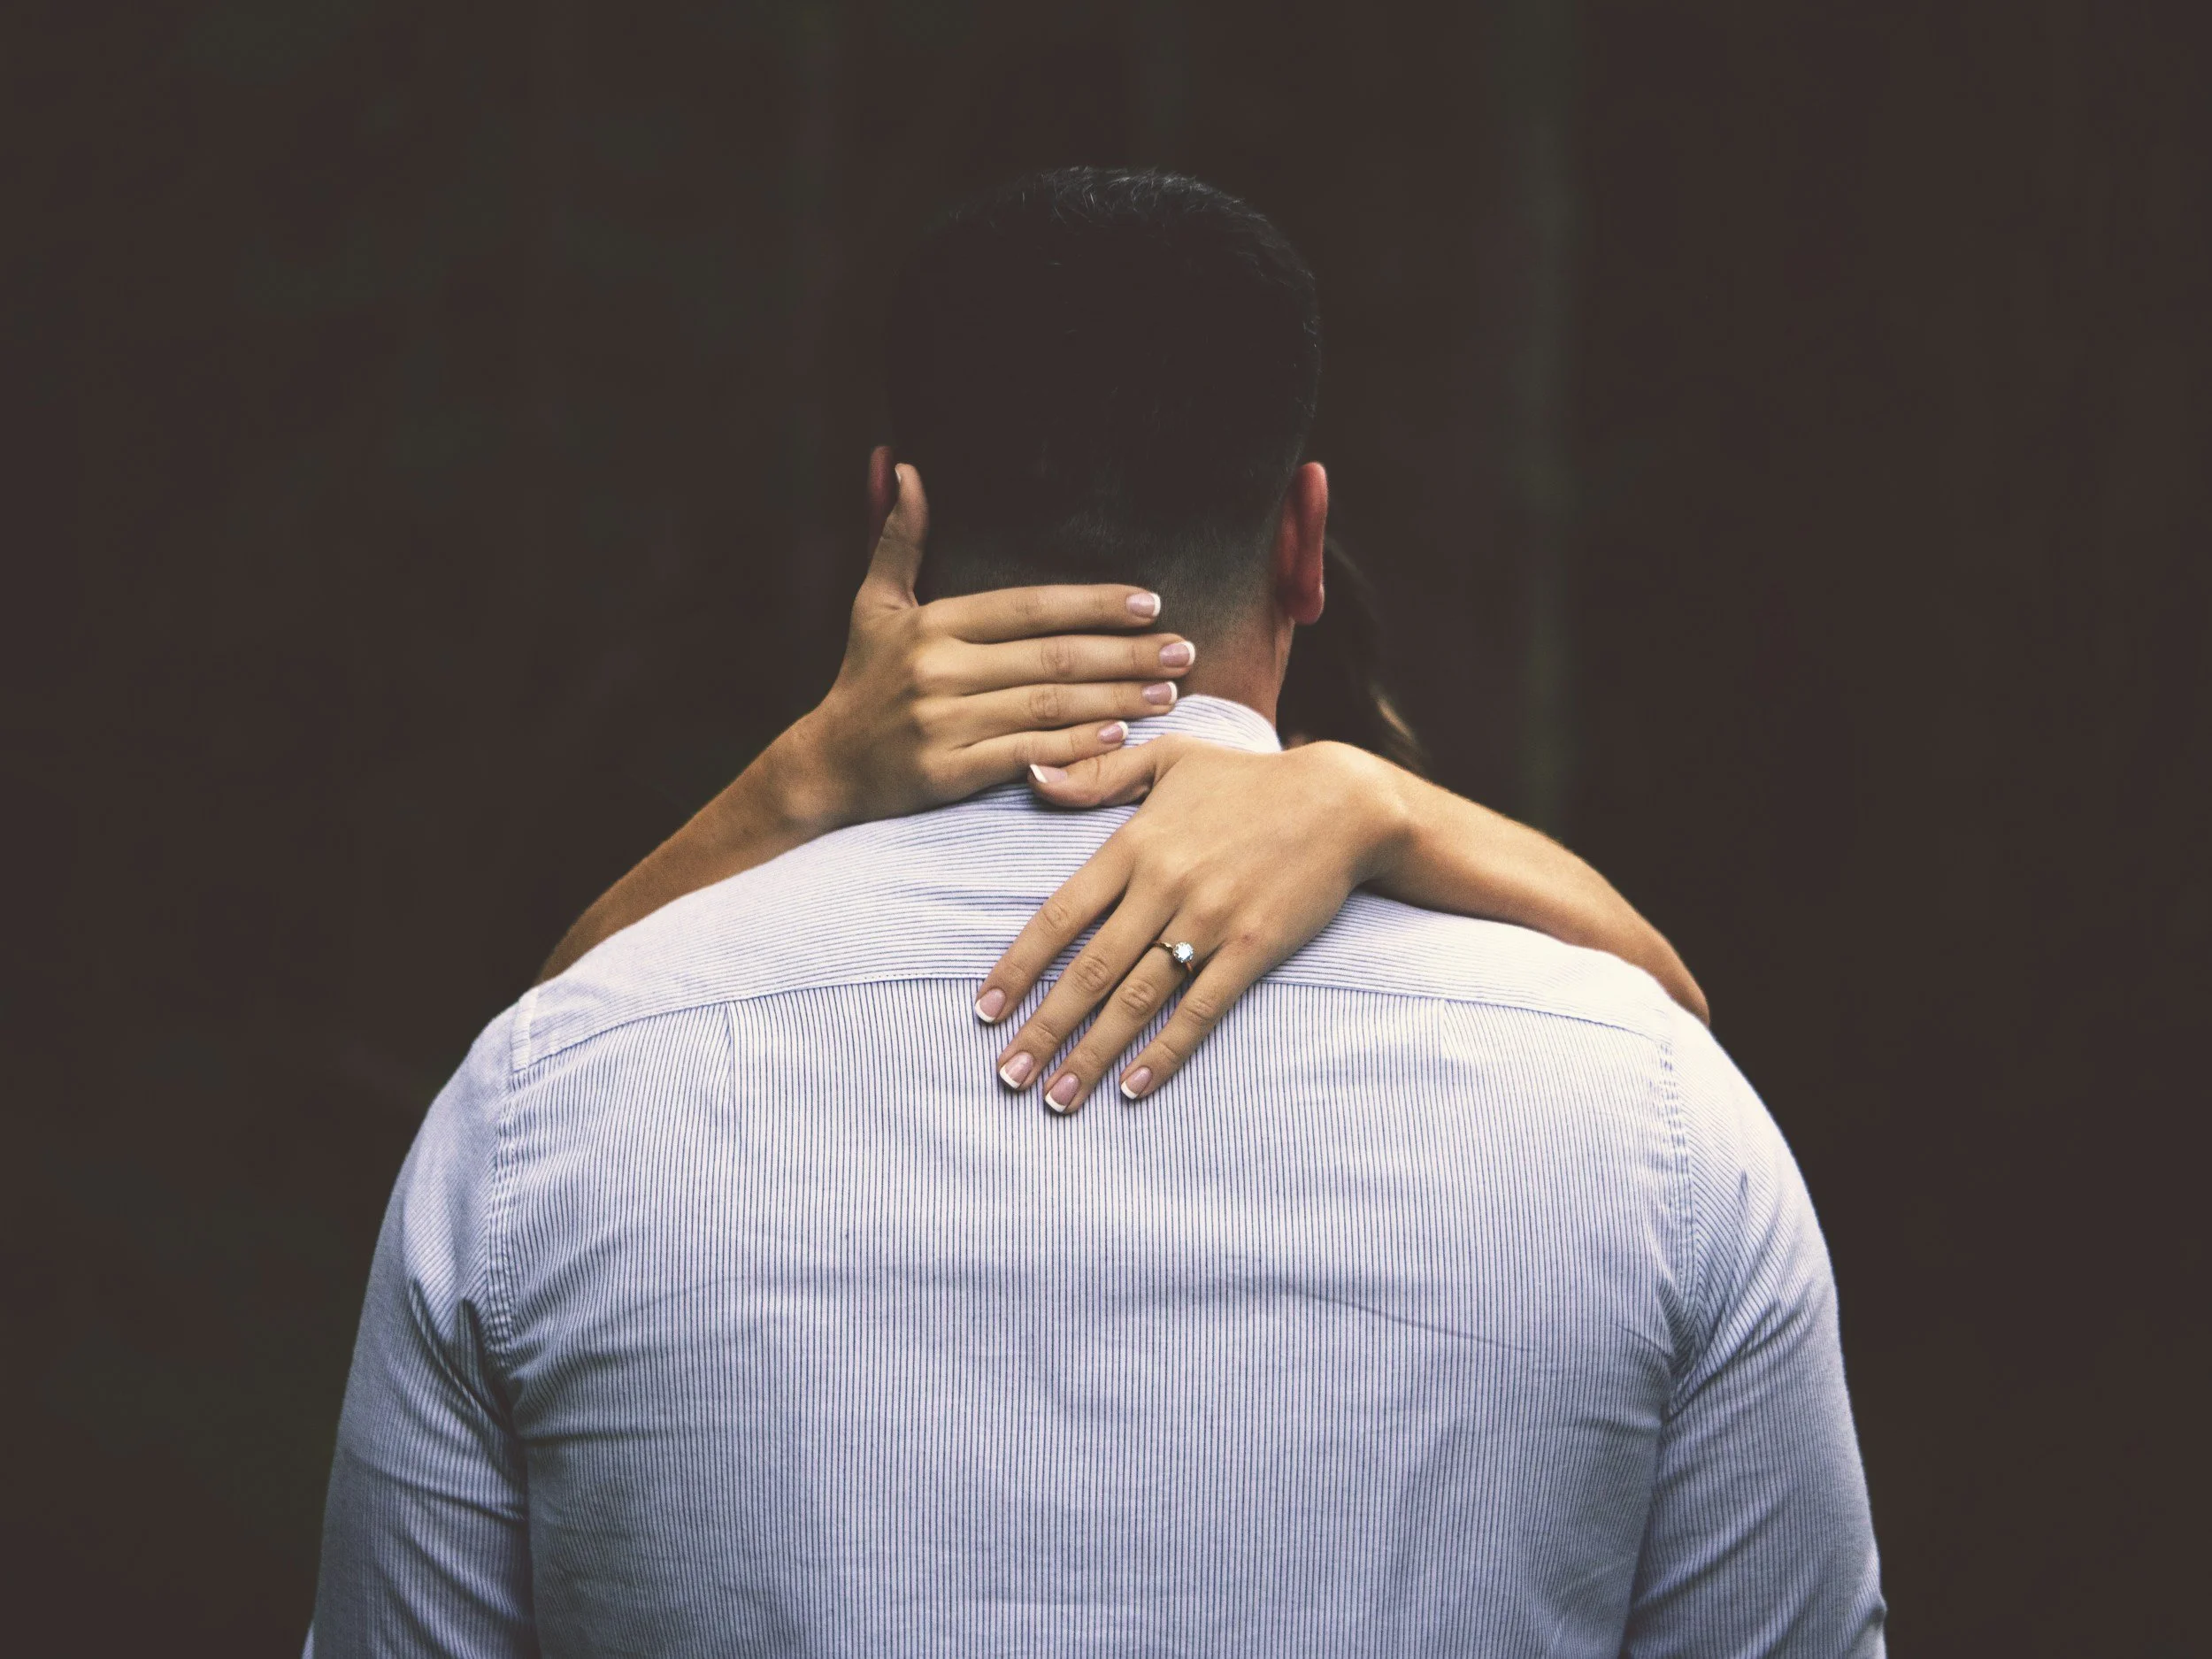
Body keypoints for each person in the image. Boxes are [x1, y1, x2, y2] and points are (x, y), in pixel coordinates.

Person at [310, 169, 1884, 1655]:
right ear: (1304, 540)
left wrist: (798, 781)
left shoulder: (541, 1101)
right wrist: (1377, 797)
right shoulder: (1657, 1109)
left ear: (893, 513)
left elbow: (546, 1048)